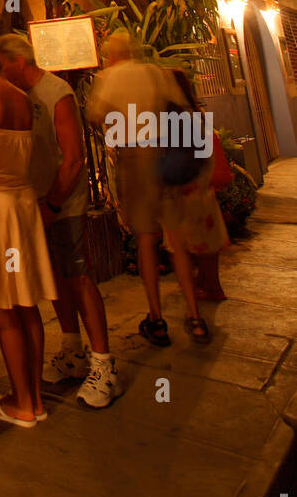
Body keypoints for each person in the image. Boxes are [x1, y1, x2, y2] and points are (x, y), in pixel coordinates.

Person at [0, 33, 124, 408]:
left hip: (62, 203)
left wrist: (53, 204)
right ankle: (73, 351)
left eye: (3, 65)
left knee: (79, 276)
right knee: (56, 278)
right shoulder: (20, 97)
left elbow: (73, 158)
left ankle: (104, 364)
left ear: (17, 62)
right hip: (38, 202)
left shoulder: (57, 93)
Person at [86, 33, 211, 346]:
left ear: (110, 56)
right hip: (164, 157)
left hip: (134, 160)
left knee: (145, 239)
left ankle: (156, 318)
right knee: (176, 241)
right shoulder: (154, 73)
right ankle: (195, 317)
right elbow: (180, 109)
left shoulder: (109, 78)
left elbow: (95, 116)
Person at [0, 38, 57, 426]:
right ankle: (34, 396)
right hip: (24, 204)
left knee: (4, 308)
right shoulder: (25, 100)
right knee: (29, 304)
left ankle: (22, 403)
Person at [164, 70, 230, 302]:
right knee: (205, 245)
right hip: (202, 190)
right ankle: (207, 283)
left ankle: (210, 286)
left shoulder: (179, 118)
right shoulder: (194, 114)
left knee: (194, 243)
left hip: (192, 190)